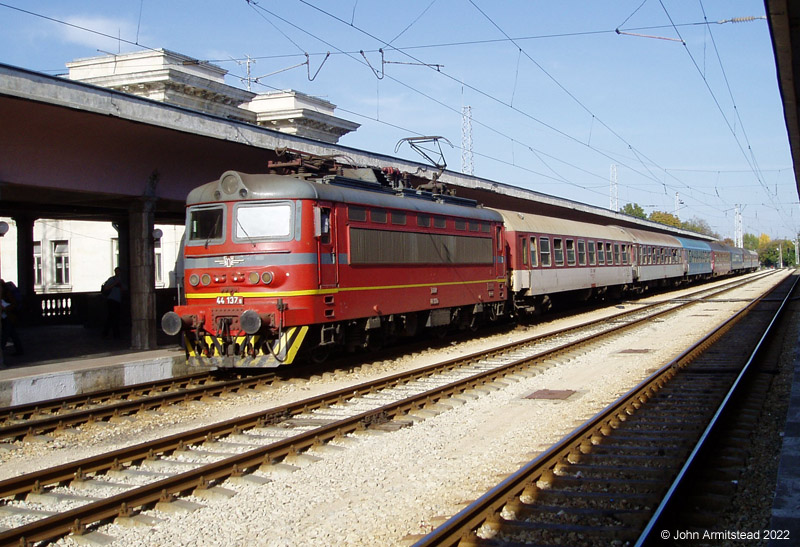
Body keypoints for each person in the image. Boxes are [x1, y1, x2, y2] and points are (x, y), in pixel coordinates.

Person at [101, 268, 126, 338]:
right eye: (117, 271)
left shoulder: (121, 280)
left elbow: (124, 289)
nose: (118, 273)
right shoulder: (111, 279)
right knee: (111, 317)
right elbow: (106, 288)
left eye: (119, 272)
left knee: (115, 317)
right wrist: (114, 284)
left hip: (117, 300)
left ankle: (114, 333)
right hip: (111, 300)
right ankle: (108, 333)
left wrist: (120, 285)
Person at [1, 280, 24, 355]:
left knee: (5, 335)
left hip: (9, 316)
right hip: (6, 316)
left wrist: (5, 308)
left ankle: (1, 349)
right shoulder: (5, 293)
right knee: (12, 334)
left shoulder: (8, 293)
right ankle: (19, 350)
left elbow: (14, 304)